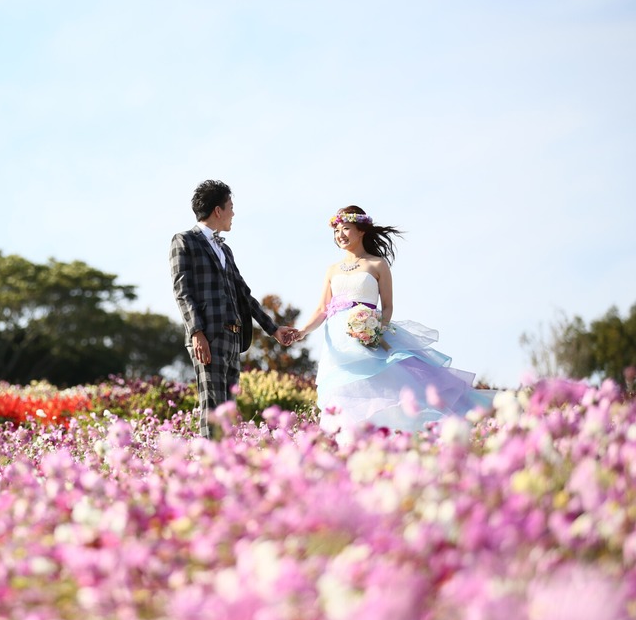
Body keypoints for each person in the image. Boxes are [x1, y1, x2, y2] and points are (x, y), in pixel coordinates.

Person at [291, 205, 494, 439]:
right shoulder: (332, 270)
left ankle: (402, 434)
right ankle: (352, 441)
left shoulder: (377, 264)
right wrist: (303, 331)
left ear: (361, 231)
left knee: (389, 384)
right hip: (338, 345)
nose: (340, 235)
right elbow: (321, 309)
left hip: (368, 334)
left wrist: (376, 330)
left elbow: (387, 307)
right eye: (337, 231)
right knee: (345, 391)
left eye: (346, 229)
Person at [170, 180, 296, 438]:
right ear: (218, 210)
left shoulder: (225, 248)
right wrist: (197, 332)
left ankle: (226, 469)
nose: (233, 214)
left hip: (233, 338)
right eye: (230, 207)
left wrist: (273, 330)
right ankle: (209, 466)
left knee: (228, 413)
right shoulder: (184, 241)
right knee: (212, 409)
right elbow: (182, 292)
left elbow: (244, 294)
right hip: (208, 337)